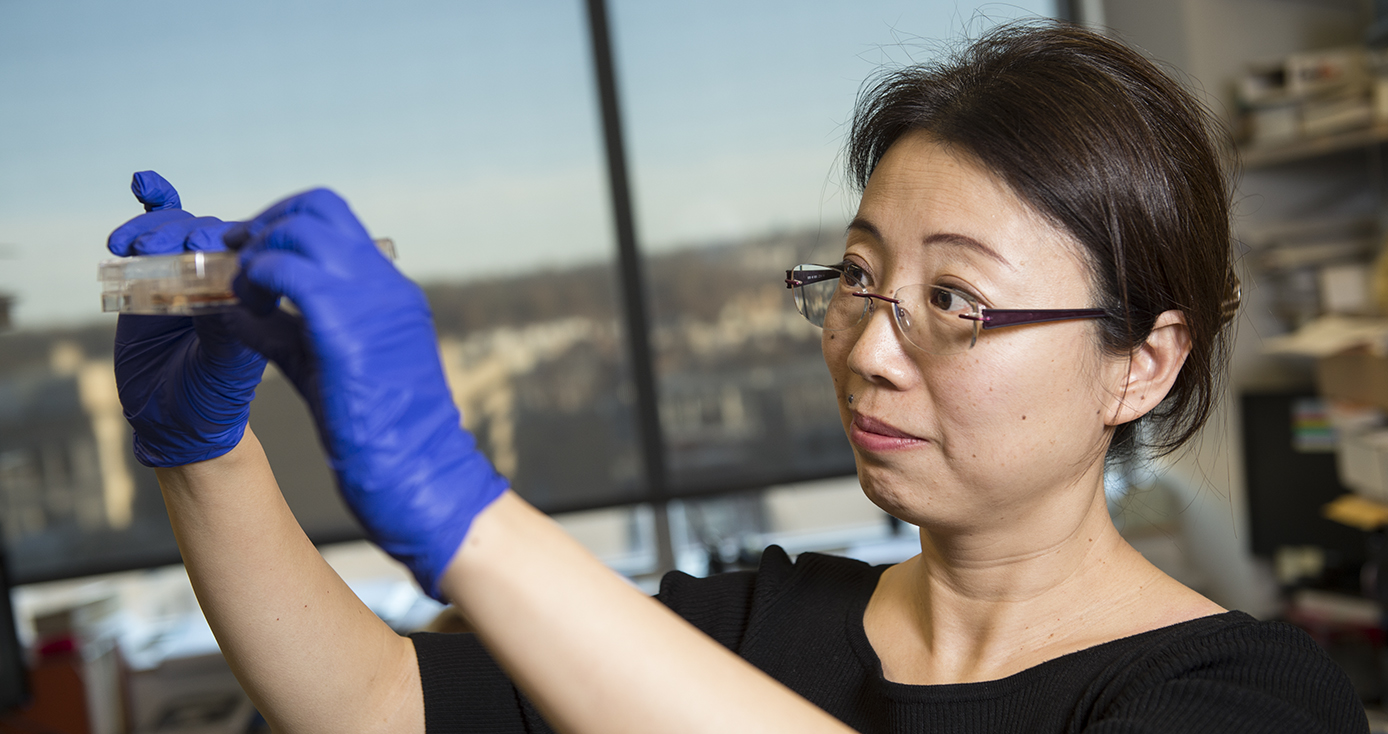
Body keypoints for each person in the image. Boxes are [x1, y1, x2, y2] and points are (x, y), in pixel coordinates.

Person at [107, 20, 1365, 734]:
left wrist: (464, 509)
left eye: (954, 302)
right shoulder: (765, 624)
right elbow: (383, 706)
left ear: (1140, 361)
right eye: (859, 278)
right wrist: (206, 455)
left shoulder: (1243, 697)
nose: (869, 347)